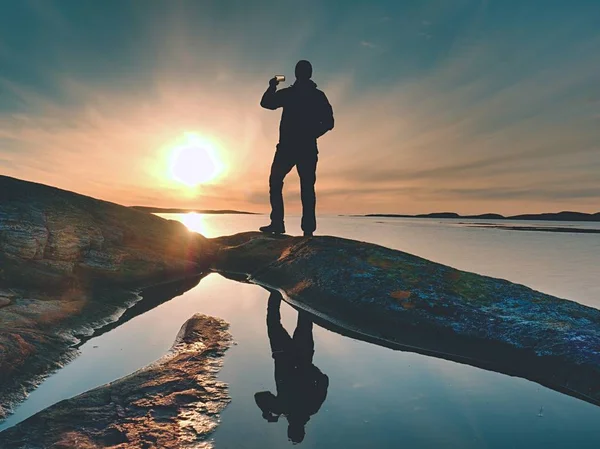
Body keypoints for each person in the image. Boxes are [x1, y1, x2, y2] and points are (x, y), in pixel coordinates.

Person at [259, 60, 334, 237]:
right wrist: (314, 134)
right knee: (299, 186)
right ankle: (300, 228)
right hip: (296, 147)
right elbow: (329, 122)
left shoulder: (296, 94)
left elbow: (266, 103)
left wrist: (272, 87)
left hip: (293, 147)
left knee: (286, 184)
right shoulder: (313, 95)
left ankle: (284, 224)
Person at [254, 291, 329, 444]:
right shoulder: (283, 408)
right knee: (276, 321)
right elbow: (260, 396)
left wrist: (309, 367)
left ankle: (286, 289)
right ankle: (277, 290)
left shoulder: (310, 408)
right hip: (285, 354)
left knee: (303, 320)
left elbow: (323, 380)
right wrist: (267, 411)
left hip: (296, 354)